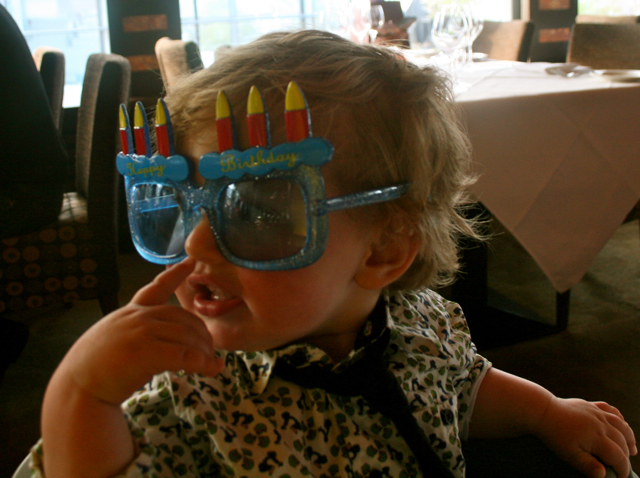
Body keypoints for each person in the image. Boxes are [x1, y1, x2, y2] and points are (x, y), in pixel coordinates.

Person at [34, 30, 636, 478]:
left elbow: (462, 388)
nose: (194, 243)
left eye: (257, 212)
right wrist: (81, 395)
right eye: (181, 205)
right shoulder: (191, 383)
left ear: (384, 250)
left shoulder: (419, 325)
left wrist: (544, 412)